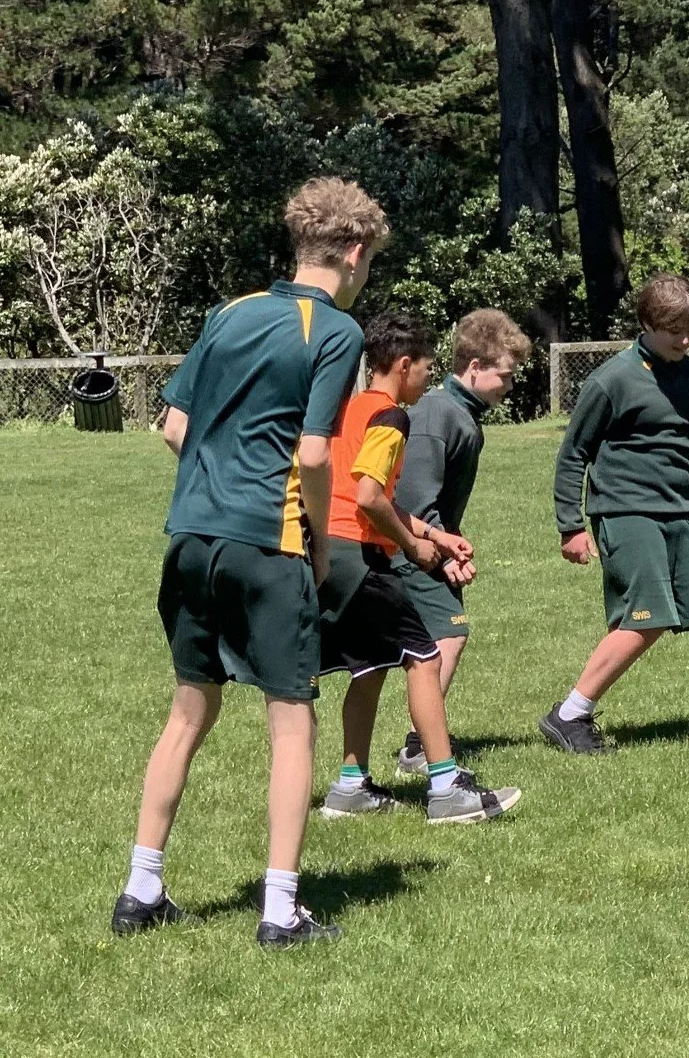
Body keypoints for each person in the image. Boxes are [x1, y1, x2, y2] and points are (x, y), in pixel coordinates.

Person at [111, 177, 383, 950]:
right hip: (270, 542)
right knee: (291, 721)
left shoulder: (228, 312)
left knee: (189, 710)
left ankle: (141, 889)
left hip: (190, 539)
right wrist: (321, 541)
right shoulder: (335, 332)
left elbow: (171, 427)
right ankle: (280, 909)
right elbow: (314, 450)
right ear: (355, 253)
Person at [541, 274, 689, 753]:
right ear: (646, 323)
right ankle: (568, 716)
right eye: (675, 330)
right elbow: (574, 454)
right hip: (628, 512)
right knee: (643, 620)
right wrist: (570, 525)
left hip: (686, 514)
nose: (686, 339)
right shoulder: (611, 380)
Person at [316, 311, 520, 825]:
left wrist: (435, 533)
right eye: (427, 367)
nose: (430, 377)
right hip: (360, 553)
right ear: (403, 365)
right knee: (425, 659)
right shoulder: (390, 415)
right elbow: (367, 498)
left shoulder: (349, 408)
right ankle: (446, 787)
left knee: (369, 669)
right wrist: (411, 545)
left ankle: (349, 787)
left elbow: (370, 490)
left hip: (327, 551)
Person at [390, 309, 535, 776]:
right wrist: (442, 555)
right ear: (474, 368)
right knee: (446, 637)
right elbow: (413, 494)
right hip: (410, 546)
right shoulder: (439, 412)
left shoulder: (462, 414)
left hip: (434, 545)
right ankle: (418, 749)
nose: (509, 387)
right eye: (504, 376)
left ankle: (416, 745)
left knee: (438, 640)